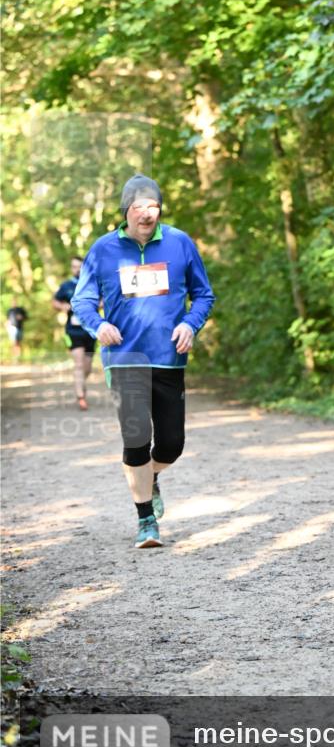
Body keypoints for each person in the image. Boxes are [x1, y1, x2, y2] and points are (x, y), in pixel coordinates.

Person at [71, 174, 215, 550]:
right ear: (126, 210)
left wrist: (190, 323)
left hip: (169, 358)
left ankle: (150, 477)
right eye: (138, 206)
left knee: (171, 445)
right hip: (124, 358)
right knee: (136, 441)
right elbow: (82, 300)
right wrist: (98, 324)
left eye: (153, 206)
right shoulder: (103, 249)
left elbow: (204, 295)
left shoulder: (180, 243)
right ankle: (146, 521)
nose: (146, 213)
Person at [52, 257, 97, 409]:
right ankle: (80, 396)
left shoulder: (93, 283)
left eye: (79, 266)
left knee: (87, 367)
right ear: (71, 268)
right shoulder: (66, 286)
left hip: (91, 330)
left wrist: (96, 305)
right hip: (73, 330)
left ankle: (80, 383)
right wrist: (63, 306)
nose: (77, 269)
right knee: (78, 363)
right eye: (74, 267)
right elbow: (55, 302)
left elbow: (104, 300)